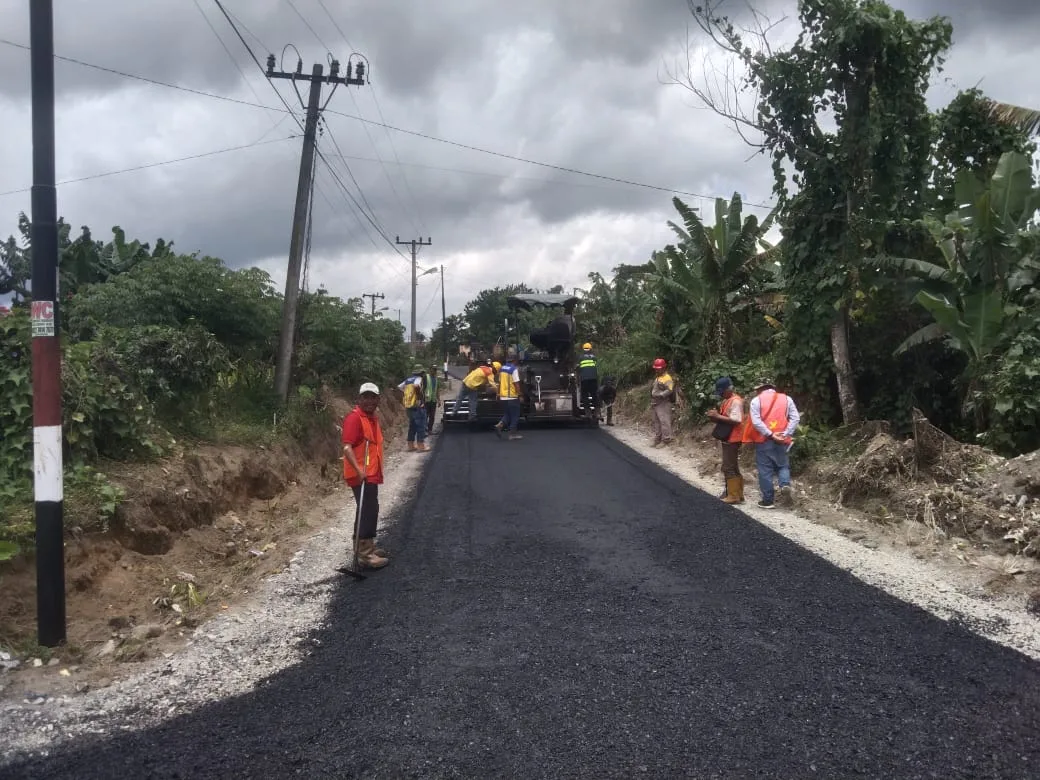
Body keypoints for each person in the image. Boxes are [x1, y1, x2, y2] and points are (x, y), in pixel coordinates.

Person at [341, 382, 389, 569]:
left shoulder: (371, 418)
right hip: (361, 474)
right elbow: (347, 447)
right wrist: (359, 470)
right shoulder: (354, 419)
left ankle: (365, 546)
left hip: (370, 473)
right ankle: (365, 555)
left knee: (369, 509)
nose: (369, 401)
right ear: (359, 399)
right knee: (368, 510)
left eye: (373, 397)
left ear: (378, 399)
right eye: (365, 397)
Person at [747, 379, 801, 509]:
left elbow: (756, 422)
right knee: (783, 466)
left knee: (765, 470)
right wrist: (785, 434)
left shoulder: (756, 401)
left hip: (764, 440)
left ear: (760, 389)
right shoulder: (786, 399)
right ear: (772, 387)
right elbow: (795, 418)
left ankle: (768, 501)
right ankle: (784, 484)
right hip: (782, 440)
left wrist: (771, 434)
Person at [706, 376, 748, 504]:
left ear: (728, 389)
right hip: (729, 437)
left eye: (722, 392)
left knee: (728, 466)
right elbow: (726, 418)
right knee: (733, 466)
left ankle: (733, 495)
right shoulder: (728, 400)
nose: (721, 395)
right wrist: (715, 417)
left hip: (733, 438)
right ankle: (736, 493)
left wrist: (718, 416)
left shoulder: (735, 401)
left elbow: (736, 420)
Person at [398, 364, 429, 452]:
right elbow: (416, 386)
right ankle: (421, 446)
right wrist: (418, 398)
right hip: (417, 406)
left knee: (412, 425)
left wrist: (408, 395)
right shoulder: (419, 379)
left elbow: (399, 387)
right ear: (421, 372)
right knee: (421, 426)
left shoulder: (408, 380)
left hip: (409, 406)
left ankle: (410, 445)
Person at [493, 352, 523, 440]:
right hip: (512, 396)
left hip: (503, 396)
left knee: (508, 414)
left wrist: (498, 394)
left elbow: (499, 383)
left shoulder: (502, 369)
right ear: (514, 360)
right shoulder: (513, 369)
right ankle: (512, 434)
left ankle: (499, 425)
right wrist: (520, 395)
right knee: (515, 415)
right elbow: (516, 384)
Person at [650, 357, 675, 447]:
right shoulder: (658, 377)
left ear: (663, 368)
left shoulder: (667, 378)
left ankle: (666, 439)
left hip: (663, 403)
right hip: (655, 403)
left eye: (658, 369)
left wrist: (661, 395)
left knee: (664, 421)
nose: (656, 370)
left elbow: (670, 390)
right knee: (656, 421)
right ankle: (658, 438)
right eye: (656, 369)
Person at [578, 342, 599, 419]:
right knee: (594, 395)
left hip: (584, 380)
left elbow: (578, 367)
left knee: (584, 396)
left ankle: (588, 413)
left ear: (583, 349)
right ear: (590, 349)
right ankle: (596, 413)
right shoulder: (594, 357)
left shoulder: (580, 357)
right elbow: (595, 366)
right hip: (593, 379)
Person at [423, 364, 439, 435]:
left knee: (432, 416)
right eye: (433, 369)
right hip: (426, 400)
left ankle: (430, 430)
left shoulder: (436, 379)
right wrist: (422, 399)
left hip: (433, 400)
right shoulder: (426, 377)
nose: (434, 371)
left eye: (435, 369)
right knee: (425, 416)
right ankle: (424, 430)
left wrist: (439, 400)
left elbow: (437, 389)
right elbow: (422, 388)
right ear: (430, 369)